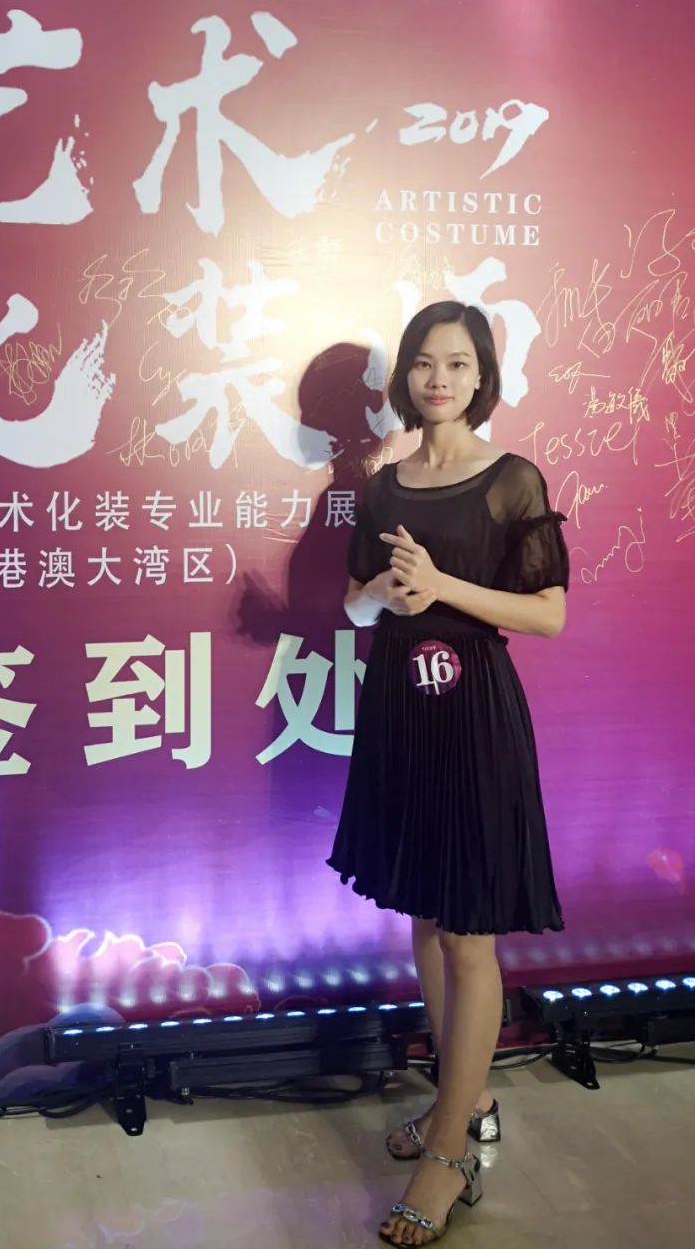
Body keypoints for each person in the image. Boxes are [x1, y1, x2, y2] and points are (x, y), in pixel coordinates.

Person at [326, 301, 568, 1246]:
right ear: (406, 377)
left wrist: (442, 586)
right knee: (425, 917)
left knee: (469, 935)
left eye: (458, 363)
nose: (439, 379)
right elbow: (355, 603)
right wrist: (386, 595)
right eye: (425, 363)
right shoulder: (383, 483)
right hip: (400, 708)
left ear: (482, 376)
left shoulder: (512, 479)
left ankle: (450, 1151)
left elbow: (547, 612)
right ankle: (459, 1102)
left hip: (472, 715)